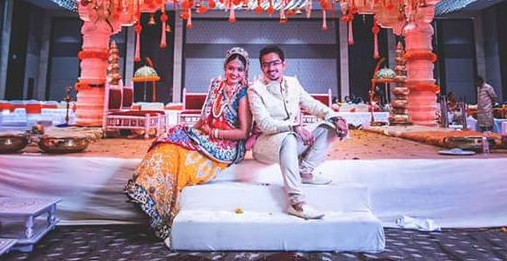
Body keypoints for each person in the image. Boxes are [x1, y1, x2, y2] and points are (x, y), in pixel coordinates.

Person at [125, 47, 252, 240]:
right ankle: (147, 194)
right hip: (206, 135)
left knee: (178, 154)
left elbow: (243, 132)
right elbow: (204, 118)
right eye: (231, 68)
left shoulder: (244, 94)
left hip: (227, 146)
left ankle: (162, 213)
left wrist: (215, 133)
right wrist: (190, 131)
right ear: (225, 68)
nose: (234, 73)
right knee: (168, 140)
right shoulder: (216, 85)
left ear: (245, 72)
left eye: (239, 69)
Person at [248, 45, 349, 220]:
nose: (271, 68)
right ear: (261, 67)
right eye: (266, 65)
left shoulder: (293, 83)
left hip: (292, 141)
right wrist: (293, 127)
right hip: (266, 145)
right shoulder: (255, 89)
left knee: (328, 127)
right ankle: (297, 203)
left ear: (284, 64)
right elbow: (264, 124)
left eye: (275, 63)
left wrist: (335, 117)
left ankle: (304, 171)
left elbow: (312, 104)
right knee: (288, 137)